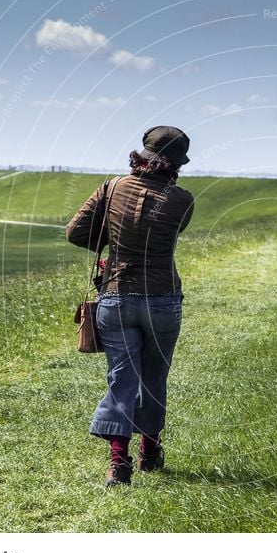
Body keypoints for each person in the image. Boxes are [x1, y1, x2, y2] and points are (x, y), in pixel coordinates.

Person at [66, 126, 194, 487]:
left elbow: (75, 231)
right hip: (163, 298)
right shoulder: (183, 200)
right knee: (154, 376)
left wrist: (112, 241)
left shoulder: (112, 187)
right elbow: (170, 234)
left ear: (143, 154)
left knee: (121, 377)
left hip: (117, 296)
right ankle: (149, 453)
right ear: (176, 163)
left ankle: (118, 465)